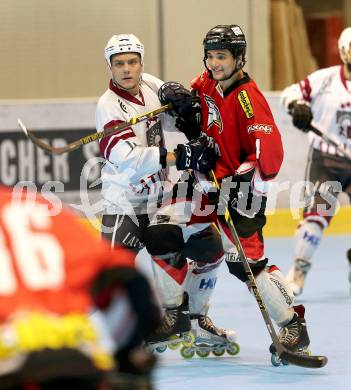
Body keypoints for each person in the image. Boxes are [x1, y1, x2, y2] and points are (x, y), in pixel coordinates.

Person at [146, 24, 313, 360]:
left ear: (239, 58)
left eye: (221, 56)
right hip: (204, 183)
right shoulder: (206, 82)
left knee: (247, 266)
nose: (214, 62)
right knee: (162, 229)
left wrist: (240, 175)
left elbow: (269, 155)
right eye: (210, 55)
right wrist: (177, 100)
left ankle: (294, 325)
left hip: (240, 189)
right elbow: (196, 115)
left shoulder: (249, 99)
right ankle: (179, 314)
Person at [96, 34, 236, 353]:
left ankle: (194, 319)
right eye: (119, 64)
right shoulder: (108, 108)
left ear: (141, 63)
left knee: (210, 251)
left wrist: (184, 108)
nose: (127, 69)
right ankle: (113, 336)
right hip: (126, 203)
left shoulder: (148, 84)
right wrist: (179, 156)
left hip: (161, 195)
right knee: (109, 275)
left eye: (132, 61)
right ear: (110, 67)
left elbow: (176, 119)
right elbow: (126, 158)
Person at [0, 185, 160, 389]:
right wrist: (127, 358)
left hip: (10, 365)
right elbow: (127, 278)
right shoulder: (42, 207)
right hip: (76, 360)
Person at [281, 26, 351, 296]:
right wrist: (298, 106)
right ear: (344, 52)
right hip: (328, 162)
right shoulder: (324, 80)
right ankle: (298, 272)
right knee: (316, 219)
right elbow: (290, 93)